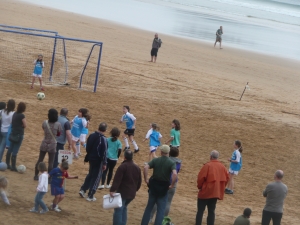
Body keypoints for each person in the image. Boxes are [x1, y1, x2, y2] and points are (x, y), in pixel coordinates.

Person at [141, 145, 177, 225]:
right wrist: (172, 185)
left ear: (161, 152)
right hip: (164, 187)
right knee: (161, 210)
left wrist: (146, 179)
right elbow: (174, 174)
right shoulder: (171, 163)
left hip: (154, 186)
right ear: (168, 152)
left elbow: (145, 167)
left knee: (149, 208)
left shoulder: (156, 160)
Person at [196, 150, 229, 225]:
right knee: (211, 211)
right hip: (215, 193)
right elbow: (227, 178)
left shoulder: (207, 165)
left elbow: (200, 178)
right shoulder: (222, 167)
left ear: (210, 157)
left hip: (205, 192)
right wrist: (220, 188)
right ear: (217, 157)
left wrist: (200, 187)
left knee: (200, 211)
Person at [150, 147, 182, 223]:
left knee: (156, 201)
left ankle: (150, 218)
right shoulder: (179, 162)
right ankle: (163, 220)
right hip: (173, 183)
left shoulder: (167, 160)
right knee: (168, 202)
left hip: (164, 182)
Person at [110, 150, 142, 225]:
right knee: (124, 208)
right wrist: (135, 189)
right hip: (131, 193)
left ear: (124, 157)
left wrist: (112, 190)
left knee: (118, 210)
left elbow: (117, 180)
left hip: (123, 192)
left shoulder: (122, 167)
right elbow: (139, 181)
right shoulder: (137, 167)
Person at [79, 122, 107, 202]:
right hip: (98, 160)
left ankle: (83, 189)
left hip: (91, 158)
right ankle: (91, 195)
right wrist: (104, 163)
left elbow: (88, 147)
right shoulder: (103, 139)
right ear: (105, 130)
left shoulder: (91, 135)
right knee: (97, 177)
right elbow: (104, 152)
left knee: (90, 174)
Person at [34, 109, 62, 181]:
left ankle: (36, 175)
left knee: (40, 160)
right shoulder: (58, 124)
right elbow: (59, 134)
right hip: (52, 144)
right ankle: (49, 178)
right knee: (51, 162)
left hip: (44, 142)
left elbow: (43, 129)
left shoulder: (45, 122)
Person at [6, 102, 26, 171]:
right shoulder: (22, 116)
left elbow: (12, 122)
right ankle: (13, 166)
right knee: (15, 150)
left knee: (10, 148)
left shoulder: (14, 114)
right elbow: (25, 125)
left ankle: (8, 164)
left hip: (13, 133)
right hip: (19, 134)